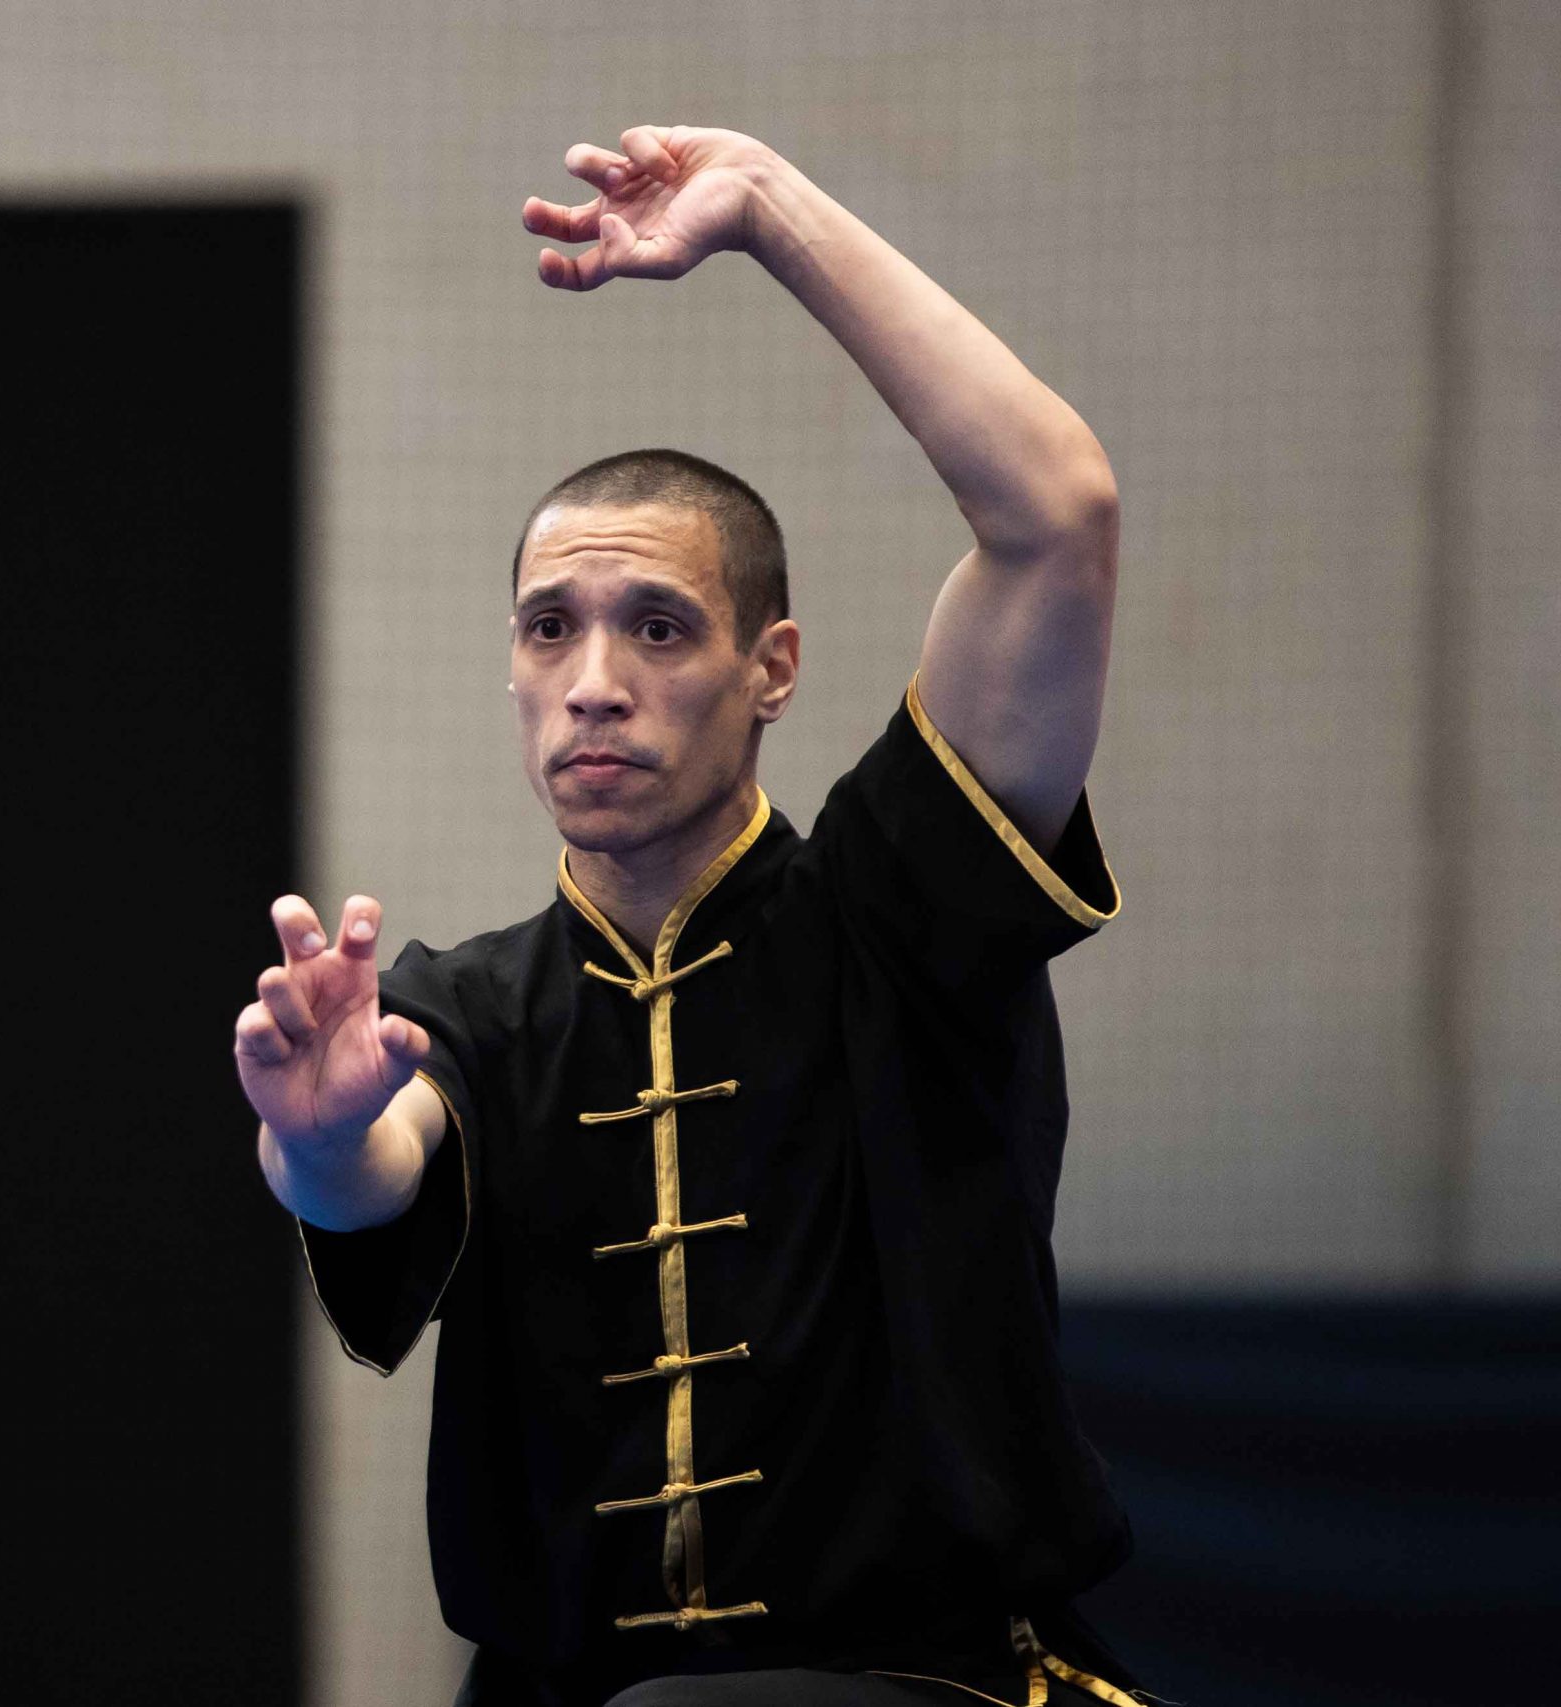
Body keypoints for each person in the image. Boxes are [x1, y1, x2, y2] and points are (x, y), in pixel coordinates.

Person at [234, 127, 1153, 1707]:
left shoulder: (899, 908)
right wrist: (316, 1138)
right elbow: (377, 1165)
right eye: (551, 629)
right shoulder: (469, 1007)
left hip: (924, 1685)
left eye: (658, 627)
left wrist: (770, 212)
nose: (594, 681)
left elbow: (1059, 513)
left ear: (770, 669)